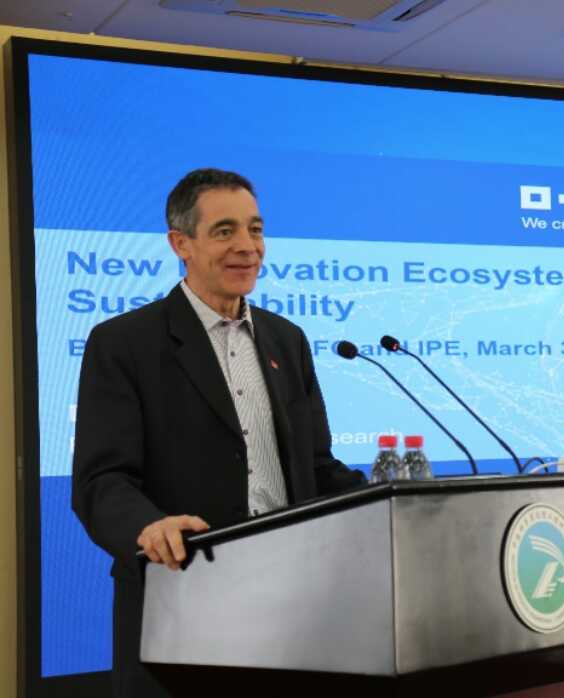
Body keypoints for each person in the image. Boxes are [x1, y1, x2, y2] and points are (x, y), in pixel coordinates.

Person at [71, 168, 366, 697]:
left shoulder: (287, 340)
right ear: (180, 244)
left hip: (291, 606)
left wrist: (391, 500)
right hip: (182, 599)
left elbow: (316, 467)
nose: (247, 247)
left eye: (255, 229)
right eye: (225, 231)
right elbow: (102, 480)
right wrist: (148, 526)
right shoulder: (125, 343)